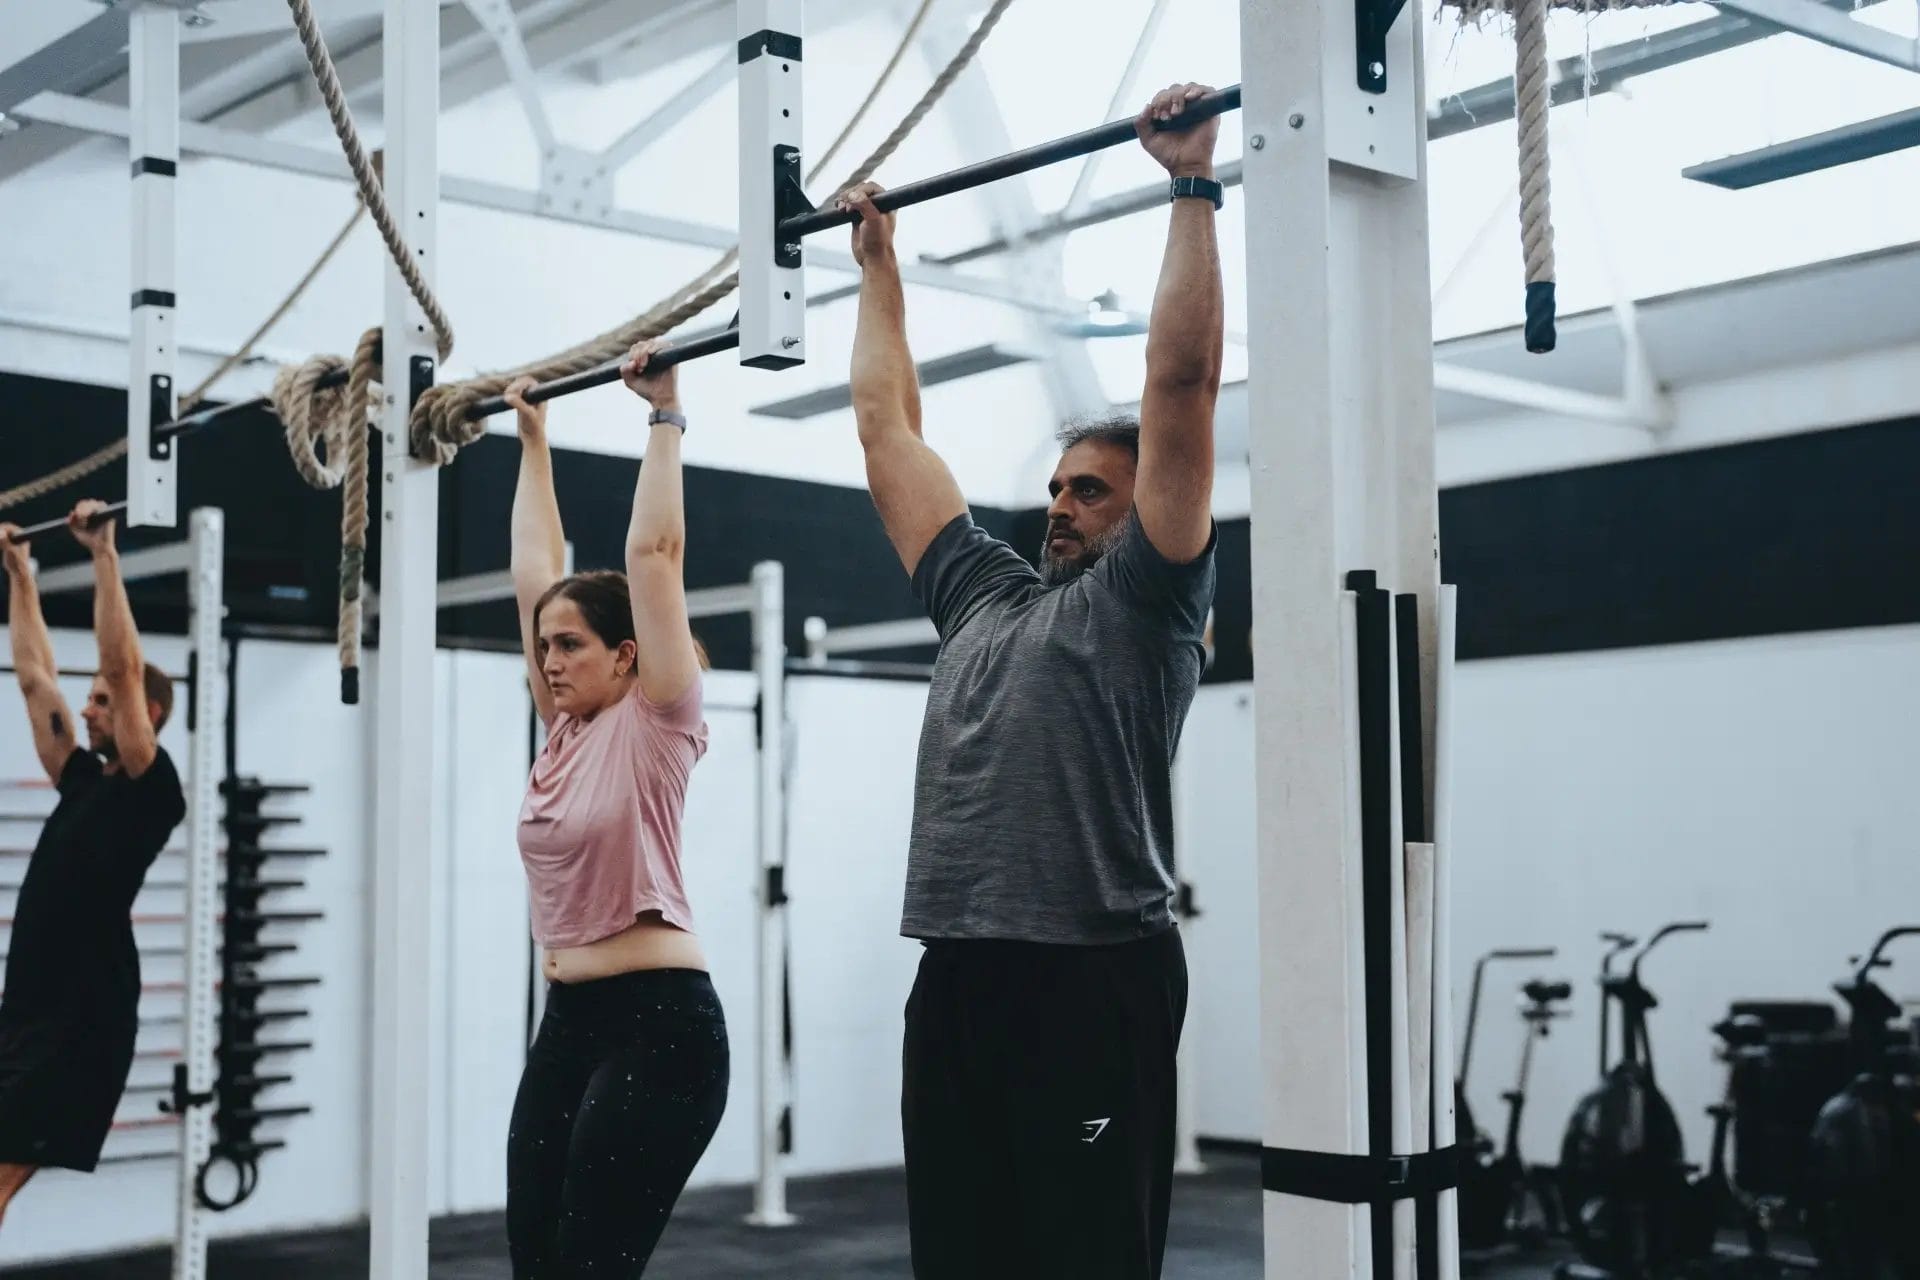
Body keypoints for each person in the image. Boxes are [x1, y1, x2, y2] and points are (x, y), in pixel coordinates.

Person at [841, 82, 1225, 1279]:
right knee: (960, 1255)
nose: (1062, 503)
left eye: (1091, 489)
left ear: (1140, 506)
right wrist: (879, 268)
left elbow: (1179, 390)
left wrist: (1190, 185)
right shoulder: (986, 594)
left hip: (1089, 978)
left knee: (1082, 1257)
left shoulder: (1145, 601)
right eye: (1057, 486)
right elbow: (888, 433)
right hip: (957, 970)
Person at [503, 339, 729, 1277]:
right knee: (534, 1258)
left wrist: (664, 415)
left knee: (592, 1265)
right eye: (544, 648)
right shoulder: (560, 729)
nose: (549, 660)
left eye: (570, 645)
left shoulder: (657, 718)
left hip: (660, 1025)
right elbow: (534, 571)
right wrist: (533, 439)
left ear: (627, 654)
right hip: (567, 1020)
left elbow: (654, 552)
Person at [0, 501, 187, 1227]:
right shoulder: (81, 779)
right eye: (92, 701)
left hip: (82, 1017)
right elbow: (35, 680)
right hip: (28, 1010)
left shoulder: (151, 787)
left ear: (149, 715)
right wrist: (20, 575)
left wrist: (103, 554)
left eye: (103, 702)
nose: (88, 708)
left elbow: (123, 664)